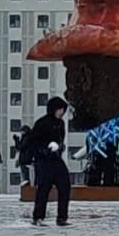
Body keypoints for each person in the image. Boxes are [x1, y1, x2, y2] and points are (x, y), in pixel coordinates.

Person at [17, 97, 73, 226]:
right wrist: (44, 150)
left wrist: (60, 147)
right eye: (59, 110)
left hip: (56, 159)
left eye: (63, 110)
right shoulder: (42, 123)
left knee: (65, 186)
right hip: (43, 161)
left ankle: (62, 217)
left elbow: (60, 140)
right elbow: (33, 141)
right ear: (53, 109)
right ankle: (38, 217)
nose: (61, 113)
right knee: (44, 189)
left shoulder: (61, 124)